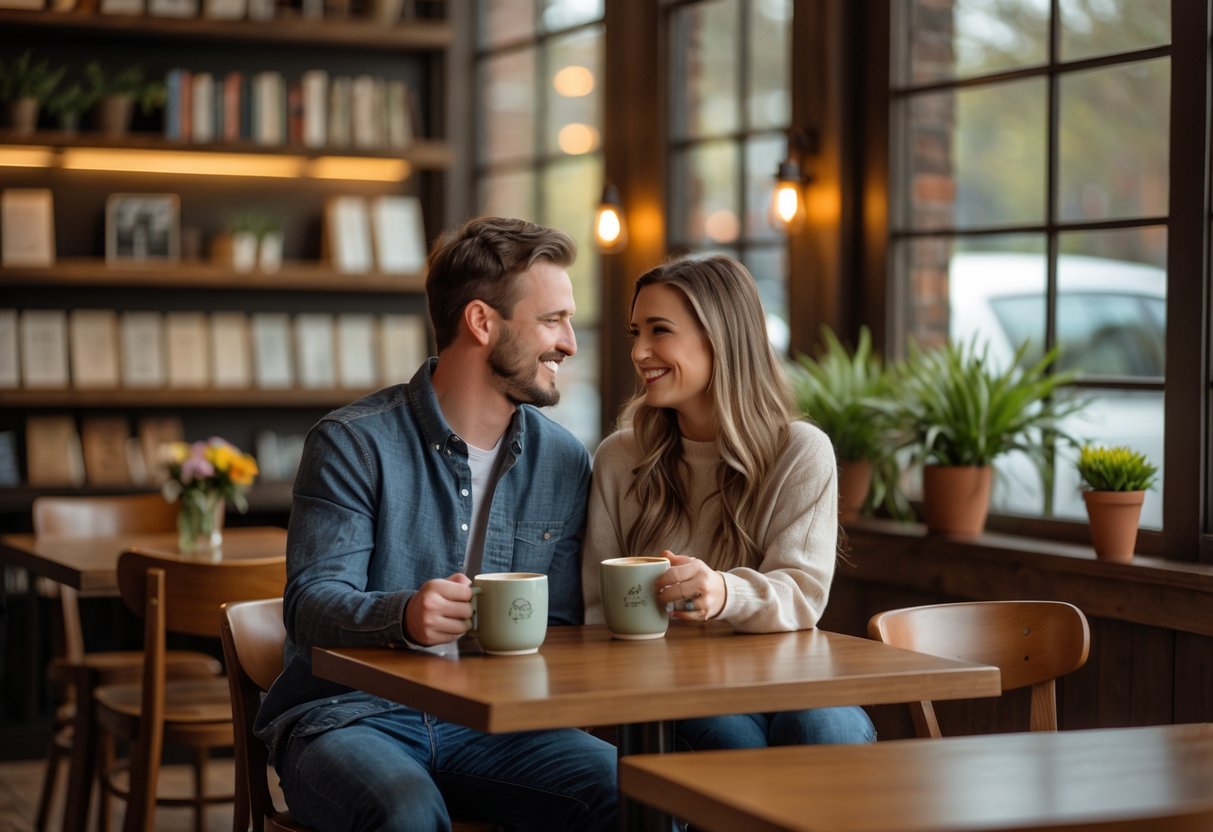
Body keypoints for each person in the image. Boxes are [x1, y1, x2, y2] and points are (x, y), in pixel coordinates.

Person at [256, 217, 617, 832]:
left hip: (496, 725)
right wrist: (404, 617)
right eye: (552, 320)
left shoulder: (563, 461)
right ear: (482, 322)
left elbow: (556, 628)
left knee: (631, 791)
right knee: (406, 812)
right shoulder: (352, 443)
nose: (571, 343)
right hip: (350, 718)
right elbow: (309, 606)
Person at [582, 254, 876, 751]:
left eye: (659, 331)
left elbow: (802, 593)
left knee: (829, 727)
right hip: (670, 684)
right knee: (728, 737)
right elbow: (597, 608)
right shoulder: (620, 458)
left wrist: (723, 592)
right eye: (636, 333)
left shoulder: (800, 451)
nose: (639, 351)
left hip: (783, 676)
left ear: (720, 338)